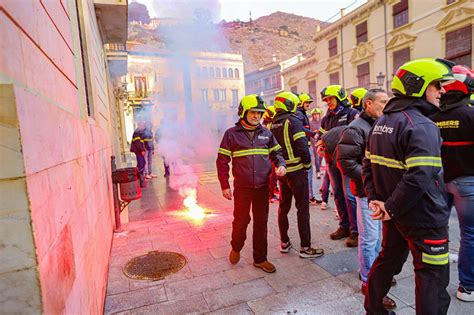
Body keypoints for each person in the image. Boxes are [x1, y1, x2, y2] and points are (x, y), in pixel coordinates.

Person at [362, 58, 454, 314]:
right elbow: (419, 177)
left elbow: (368, 166)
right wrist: (388, 207)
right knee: (432, 278)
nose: (442, 91)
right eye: (437, 85)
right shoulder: (422, 125)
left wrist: (378, 203)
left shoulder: (381, 122)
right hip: (424, 217)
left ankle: (373, 308)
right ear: (419, 85)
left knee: (387, 260)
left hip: (395, 214)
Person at [336, 88, 396, 309]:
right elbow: (346, 163)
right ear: (368, 104)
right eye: (382, 101)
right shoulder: (355, 128)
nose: (386, 105)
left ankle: (377, 275)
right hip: (366, 193)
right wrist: (373, 179)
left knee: (380, 237)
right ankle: (368, 281)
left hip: (382, 193)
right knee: (370, 238)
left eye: (388, 101)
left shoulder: (382, 125)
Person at [217, 94, 286, 273]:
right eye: (253, 112)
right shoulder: (231, 134)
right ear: (243, 112)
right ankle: (236, 246)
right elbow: (222, 160)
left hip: (263, 187)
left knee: (261, 223)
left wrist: (281, 164)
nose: (257, 116)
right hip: (242, 188)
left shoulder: (267, 133)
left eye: (259, 113)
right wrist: (224, 185)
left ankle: (260, 259)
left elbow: (277, 153)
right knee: (241, 221)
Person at [430, 64, 474, 302]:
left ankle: (437, 275)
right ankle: (467, 287)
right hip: (467, 182)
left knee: (439, 226)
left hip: (438, 181)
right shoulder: (471, 114)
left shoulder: (432, 116)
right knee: (470, 234)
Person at [270, 91, 324, 258]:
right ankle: (306, 247)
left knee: (283, 207)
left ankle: (284, 242)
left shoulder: (273, 124)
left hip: (282, 172)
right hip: (297, 172)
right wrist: (308, 165)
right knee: (302, 208)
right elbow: (302, 145)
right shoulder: (292, 120)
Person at [319, 85, 359, 244]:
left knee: (349, 195)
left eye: (331, 98)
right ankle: (344, 226)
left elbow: (356, 133)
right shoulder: (326, 118)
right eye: (326, 99)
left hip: (347, 161)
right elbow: (320, 135)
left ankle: (355, 231)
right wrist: (319, 144)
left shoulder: (353, 114)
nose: (328, 102)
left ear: (340, 96)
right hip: (330, 160)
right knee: (337, 194)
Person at [295, 93, 322, 205]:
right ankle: (309, 197)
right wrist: (313, 134)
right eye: (307, 102)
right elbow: (300, 128)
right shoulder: (300, 114)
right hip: (305, 146)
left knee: (307, 174)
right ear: (301, 103)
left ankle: (308, 196)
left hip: (305, 146)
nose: (308, 105)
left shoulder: (301, 113)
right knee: (309, 173)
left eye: (309, 103)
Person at [263, 105, 279, 203]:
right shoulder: (268, 126)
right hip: (270, 154)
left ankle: (271, 192)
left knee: (273, 176)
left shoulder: (266, 125)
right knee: (272, 176)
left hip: (269, 153)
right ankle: (270, 195)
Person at [130, 121, 146, 187]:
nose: (144, 127)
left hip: (139, 151)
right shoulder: (137, 132)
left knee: (142, 163)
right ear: (140, 125)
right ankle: (139, 179)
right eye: (143, 126)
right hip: (138, 151)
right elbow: (138, 143)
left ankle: (139, 177)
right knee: (141, 164)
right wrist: (142, 150)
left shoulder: (140, 132)